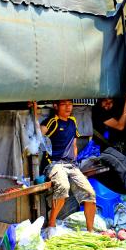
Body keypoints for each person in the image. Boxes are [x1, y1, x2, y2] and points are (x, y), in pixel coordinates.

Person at [41, 99, 96, 234]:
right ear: (56, 106)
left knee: (90, 194)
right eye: (64, 104)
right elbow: (38, 135)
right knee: (63, 187)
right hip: (54, 163)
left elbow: (74, 145)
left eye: (70, 104)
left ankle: (90, 231)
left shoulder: (72, 121)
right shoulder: (52, 121)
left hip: (71, 164)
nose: (68, 107)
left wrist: (75, 162)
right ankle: (51, 226)